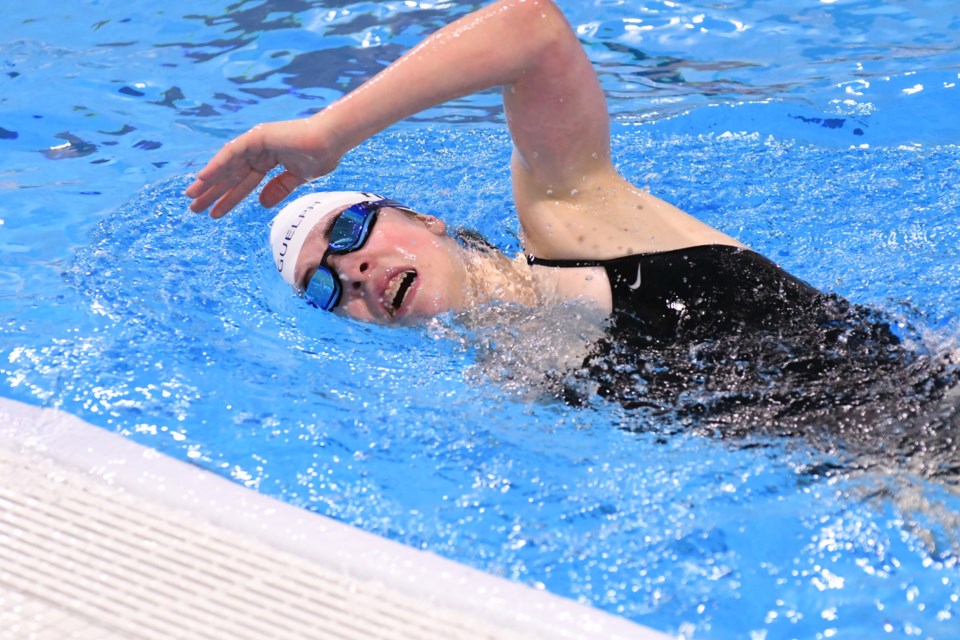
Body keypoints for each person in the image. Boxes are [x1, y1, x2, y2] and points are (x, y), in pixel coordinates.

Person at [186, 0, 958, 475]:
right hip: (894, 478)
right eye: (324, 287)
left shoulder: (571, 216)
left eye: (350, 231)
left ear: (424, 219)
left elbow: (533, 31)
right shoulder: (511, 392)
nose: (351, 270)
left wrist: (328, 132)